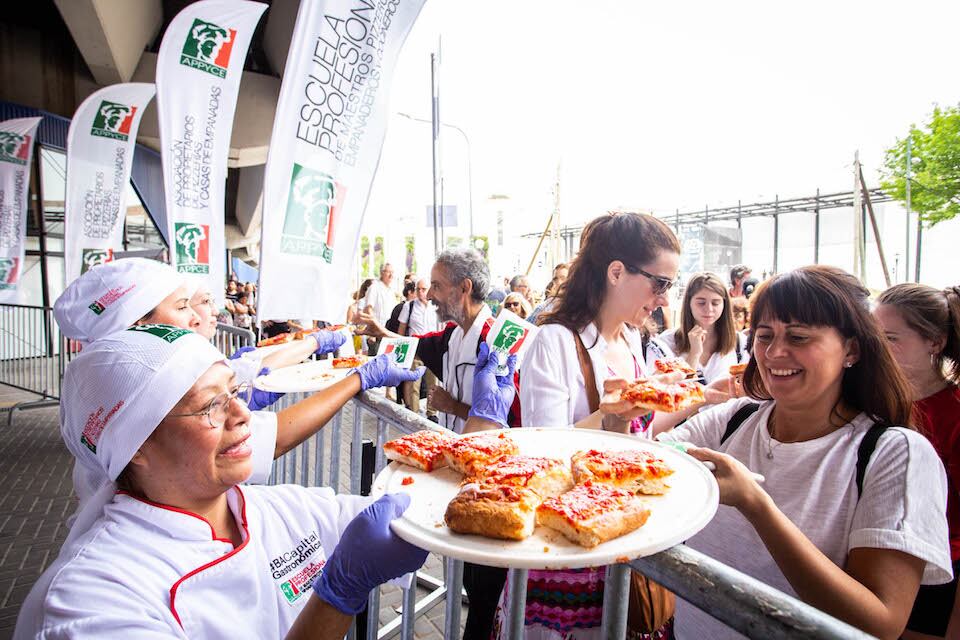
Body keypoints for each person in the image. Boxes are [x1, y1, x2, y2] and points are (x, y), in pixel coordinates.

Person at [12, 325, 452, 638]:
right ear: (136, 446)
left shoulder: (276, 511)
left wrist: (483, 437)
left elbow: (439, 511)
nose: (243, 415)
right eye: (209, 406)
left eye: (235, 392)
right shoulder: (94, 599)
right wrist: (338, 594)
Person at [613, 265, 955, 640]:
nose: (776, 352)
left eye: (799, 337)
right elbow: (636, 469)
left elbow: (880, 621)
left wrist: (757, 506)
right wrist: (617, 417)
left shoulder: (895, 455)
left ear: (852, 349)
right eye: (764, 336)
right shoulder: (733, 419)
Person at [504, 212, 724, 640]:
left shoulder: (631, 340)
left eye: (669, 286)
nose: (664, 299)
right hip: (569, 547)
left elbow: (645, 428)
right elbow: (544, 454)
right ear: (616, 272)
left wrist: (703, 396)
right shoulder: (555, 341)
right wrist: (611, 415)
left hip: (622, 530)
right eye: (660, 283)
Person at [53, 259, 379, 505]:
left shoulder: (119, 377)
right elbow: (270, 438)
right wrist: (355, 379)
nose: (199, 315)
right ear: (140, 325)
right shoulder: (148, 389)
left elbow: (249, 373)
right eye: (184, 306)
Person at [874, 283, 960, 639]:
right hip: (873, 562)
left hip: (934, 579)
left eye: (891, 338)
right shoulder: (876, 401)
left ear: (935, 343)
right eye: (873, 336)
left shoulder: (953, 416)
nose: (877, 348)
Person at [359, 248, 495, 434]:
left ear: (465, 287)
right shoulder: (453, 334)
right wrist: (381, 332)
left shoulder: (494, 341)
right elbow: (417, 344)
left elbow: (509, 421)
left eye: (437, 286)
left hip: (481, 458)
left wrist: (453, 407)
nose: (429, 295)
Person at [660, 272, 748, 384]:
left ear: (724, 304)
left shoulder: (740, 343)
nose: (709, 309)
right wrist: (694, 354)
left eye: (715, 303)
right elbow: (667, 392)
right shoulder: (667, 342)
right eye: (701, 303)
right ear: (689, 303)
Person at [398, 278, 440, 420]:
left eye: (424, 289)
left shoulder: (436, 306)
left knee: (432, 383)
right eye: (418, 289)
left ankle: (432, 412)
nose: (421, 292)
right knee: (413, 384)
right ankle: (414, 413)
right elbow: (401, 329)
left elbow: (441, 327)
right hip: (415, 349)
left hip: (433, 348)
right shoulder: (409, 306)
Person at [362, 263, 397, 327]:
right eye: (388, 272)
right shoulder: (374, 287)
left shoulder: (391, 290)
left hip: (389, 328)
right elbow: (368, 309)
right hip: (377, 329)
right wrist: (375, 325)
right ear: (382, 273)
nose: (391, 275)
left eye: (392, 272)